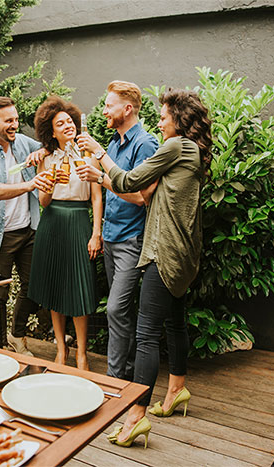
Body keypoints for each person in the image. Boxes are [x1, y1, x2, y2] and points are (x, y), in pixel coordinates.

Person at [79, 89, 212, 448]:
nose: (159, 120)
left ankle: (135, 416)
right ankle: (176, 392)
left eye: (164, 115)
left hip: (163, 251)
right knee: (175, 322)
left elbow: (128, 183)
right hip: (185, 253)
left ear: (179, 119)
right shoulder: (193, 151)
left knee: (147, 334)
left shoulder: (176, 146)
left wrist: (100, 154)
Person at [75, 81, 158, 381]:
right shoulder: (112, 143)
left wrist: (102, 177)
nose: (104, 110)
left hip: (131, 240)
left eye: (109, 105)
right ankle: (128, 372)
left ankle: (113, 379)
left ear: (128, 108)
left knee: (114, 309)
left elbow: (141, 197)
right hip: (111, 238)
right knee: (120, 313)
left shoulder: (145, 144)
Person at [0, 97, 52, 356]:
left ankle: (17, 335)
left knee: (34, 287)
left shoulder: (23, 143)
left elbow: (53, 146)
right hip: (1, 235)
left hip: (29, 230)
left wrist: (43, 152)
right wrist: (30, 185)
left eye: (16, 119)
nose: (14, 125)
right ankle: (0, 347)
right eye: (8, 121)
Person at [28, 96, 103, 371]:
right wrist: (48, 182)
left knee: (80, 290)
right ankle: (61, 348)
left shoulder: (89, 155)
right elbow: (43, 202)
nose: (67, 125)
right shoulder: (45, 158)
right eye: (60, 123)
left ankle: (82, 353)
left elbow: (97, 197)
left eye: (69, 121)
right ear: (52, 131)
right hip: (52, 224)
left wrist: (96, 233)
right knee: (55, 287)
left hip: (79, 221)